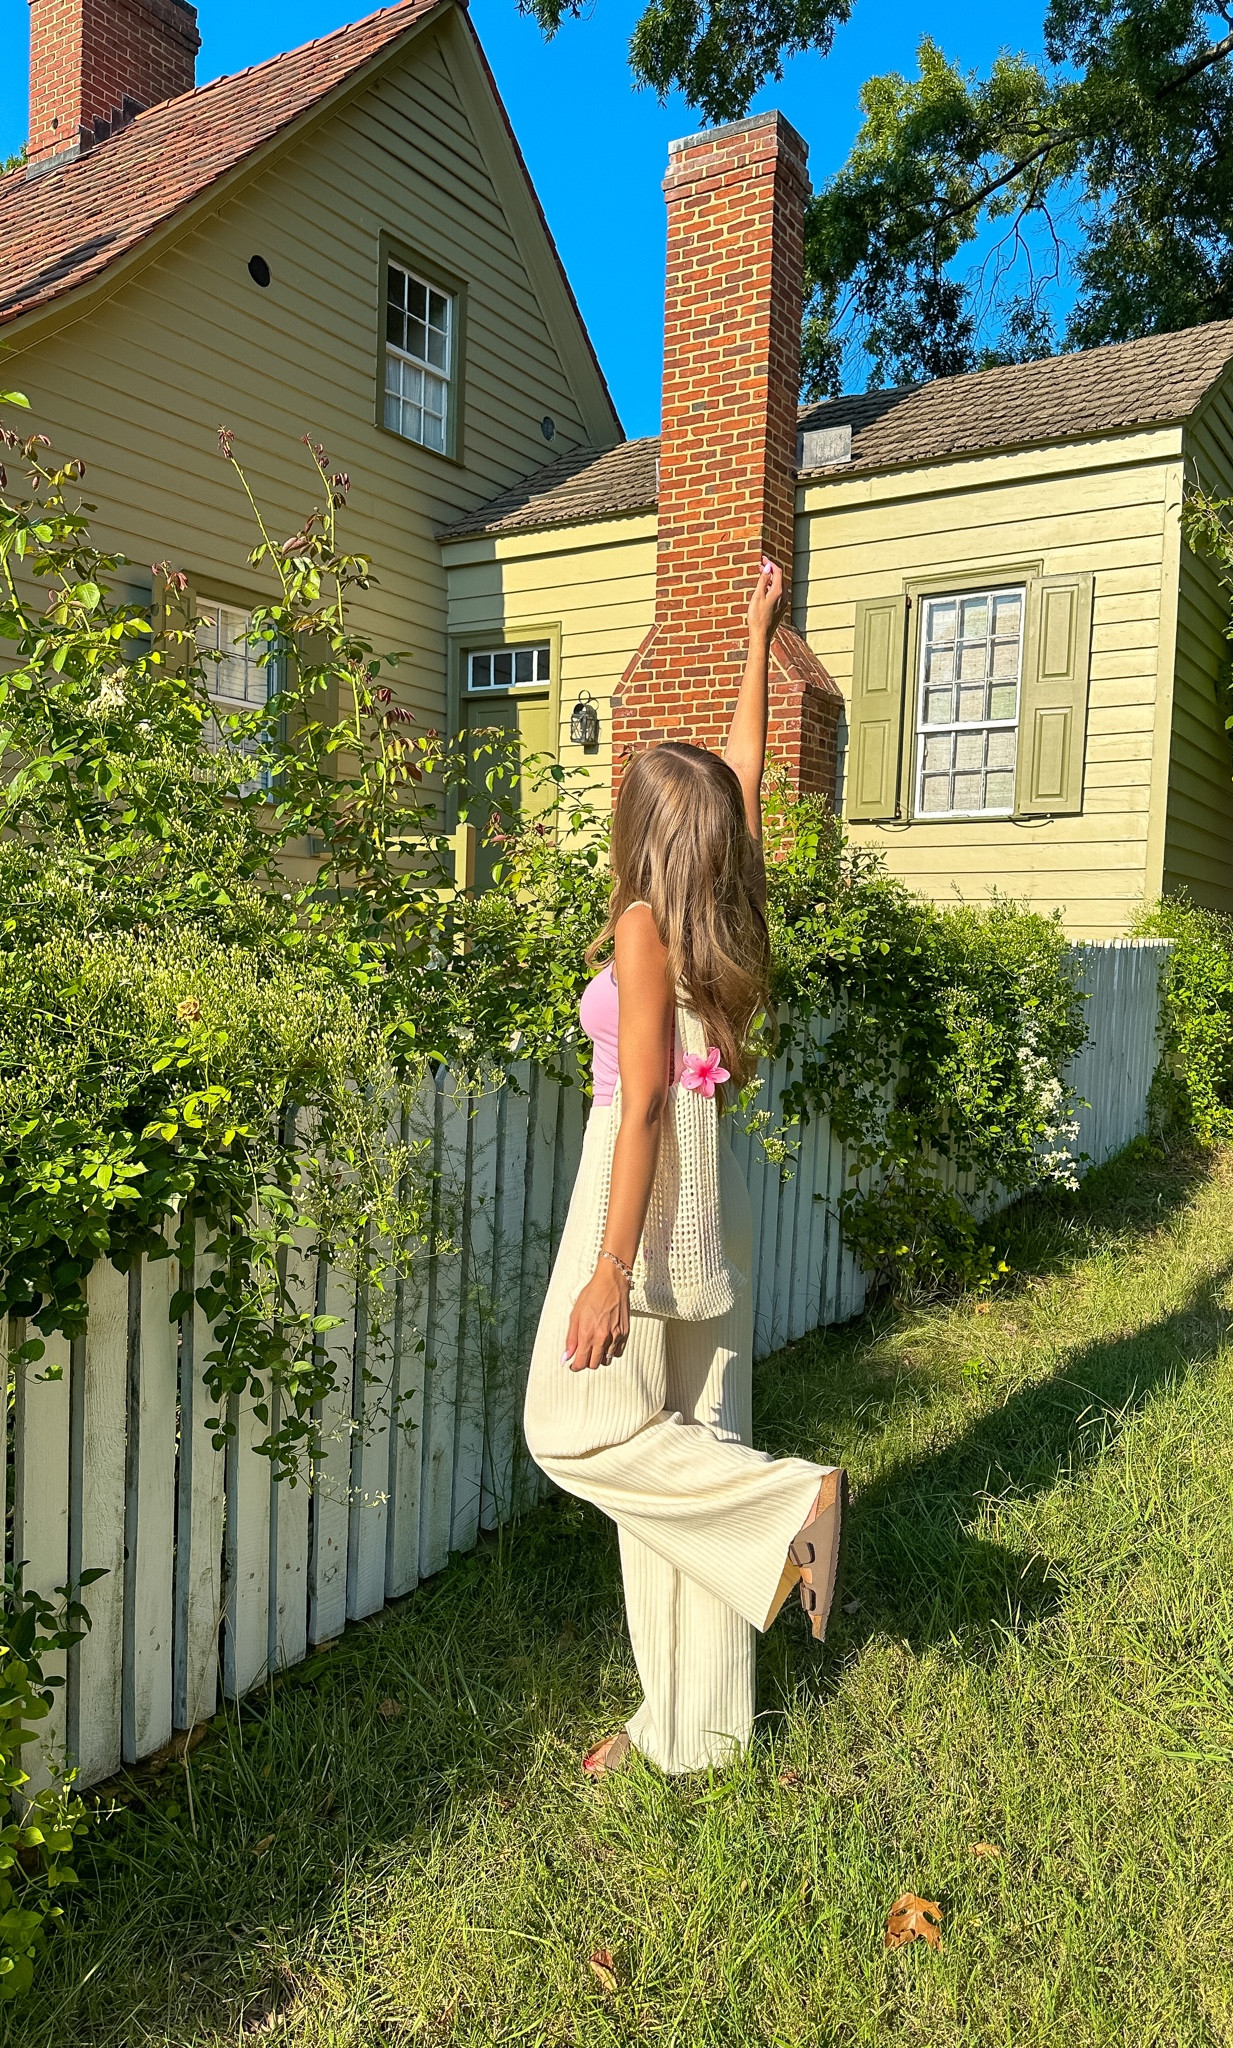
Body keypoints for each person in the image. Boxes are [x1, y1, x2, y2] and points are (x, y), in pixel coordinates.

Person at [522, 558, 846, 1779]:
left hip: (641, 1199)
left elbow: (644, 1099)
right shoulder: (724, 902)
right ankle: (693, 1732)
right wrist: (758, 631)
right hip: (719, 1217)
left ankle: (787, 1504)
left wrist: (609, 1268)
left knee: (576, 1430)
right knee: (688, 1450)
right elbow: (746, 774)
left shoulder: (645, 927)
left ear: (646, 836)